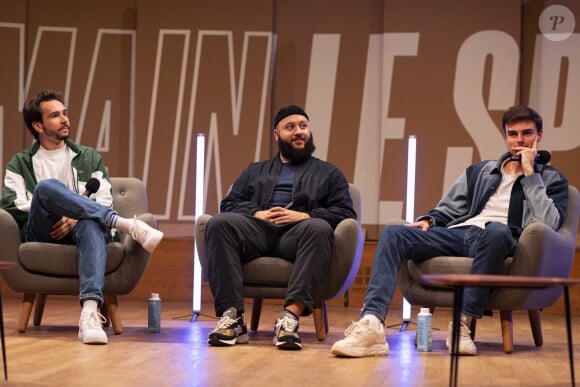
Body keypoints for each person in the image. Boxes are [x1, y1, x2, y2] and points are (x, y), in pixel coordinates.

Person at [331, 105, 568, 357]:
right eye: (513, 134)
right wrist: (430, 220)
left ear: (539, 136)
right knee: (394, 233)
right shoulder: (480, 171)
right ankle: (372, 326)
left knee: (496, 230)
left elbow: (549, 222)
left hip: (500, 238)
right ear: (505, 137)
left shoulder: (552, 179)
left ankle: (461, 326)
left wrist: (531, 174)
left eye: (527, 133)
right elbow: (448, 207)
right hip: (460, 233)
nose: (519, 140)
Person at [0, 89, 164, 345]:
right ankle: (123, 223)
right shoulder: (20, 162)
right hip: (44, 230)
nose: (65, 119)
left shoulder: (89, 157)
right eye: (55, 115)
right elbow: (10, 204)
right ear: (37, 125)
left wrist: (77, 216)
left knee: (88, 222)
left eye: (65, 113)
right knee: (46, 188)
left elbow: (104, 199)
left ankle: (89, 313)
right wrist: (60, 208)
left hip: (82, 229)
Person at [204, 105, 356, 350]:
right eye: (290, 127)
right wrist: (257, 213)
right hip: (258, 232)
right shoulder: (255, 170)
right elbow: (229, 203)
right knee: (219, 223)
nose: (299, 132)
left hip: (296, 237)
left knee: (318, 228)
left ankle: (289, 318)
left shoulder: (329, 173)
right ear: (276, 134)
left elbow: (345, 213)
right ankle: (232, 317)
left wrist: (303, 215)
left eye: (303, 126)